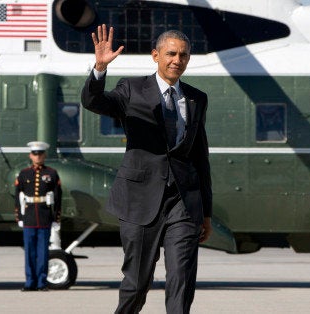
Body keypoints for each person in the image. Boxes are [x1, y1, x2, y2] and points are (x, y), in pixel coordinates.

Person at [81, 25, 213, 313]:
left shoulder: (197, 98)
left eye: (183, 55)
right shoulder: (132, 89)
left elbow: (200, 156)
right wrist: (99, 70)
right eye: (171, 54)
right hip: (140, 201)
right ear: (156, 55)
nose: (177, 60)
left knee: (181, 282)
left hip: (183, 203)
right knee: (136, 284)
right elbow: (93, 102)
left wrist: (206, 212)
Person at [14, 141, 62, 292]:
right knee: (29, 252)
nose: (37, 156)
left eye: (40, 154)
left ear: (44, 155)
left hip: (44, 216)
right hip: (28, 217)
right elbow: (17, 196)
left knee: (42, 252)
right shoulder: (24, 173)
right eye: (35, 154)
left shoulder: (51, 173)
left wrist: (56, 218)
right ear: (30, 155)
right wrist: (19, 217)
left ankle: (41, 282)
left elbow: (58, 197)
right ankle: (30, 282)